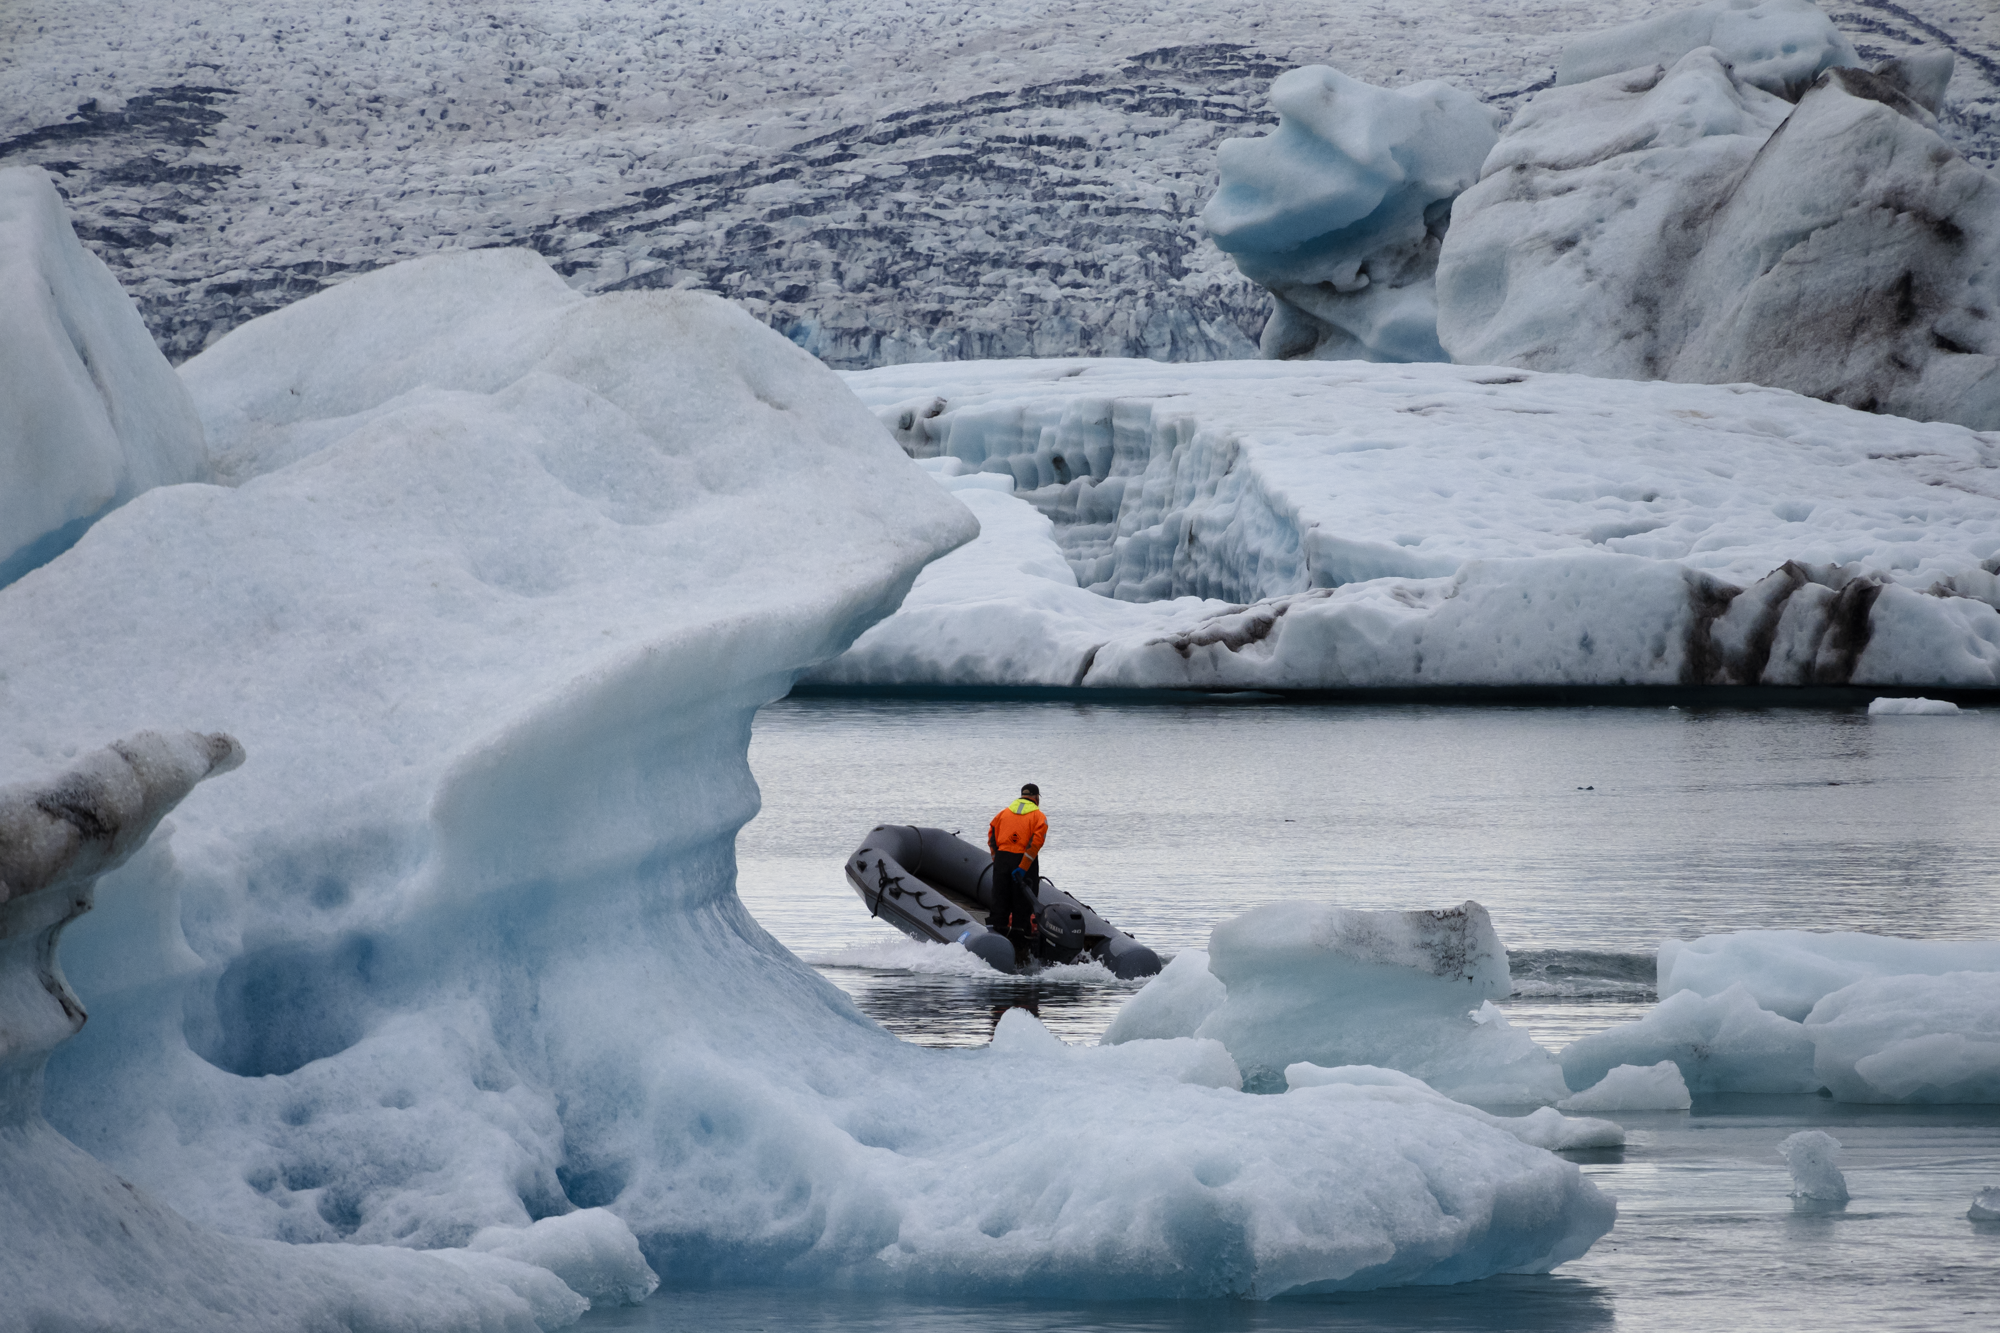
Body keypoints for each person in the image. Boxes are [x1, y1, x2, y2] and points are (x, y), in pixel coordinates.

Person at [987, 782, 1047, 945]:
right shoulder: (1039, 817)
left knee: (1000, 901)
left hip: (1002, 860)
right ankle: (1020, 945)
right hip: (1024, 864)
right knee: (1023, 905)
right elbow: (1035, 844)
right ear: (1036, 798)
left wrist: (997, 861)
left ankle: (994, 940)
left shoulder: (1002, 814)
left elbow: (991, 837)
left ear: (1022, 795)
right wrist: (1022, 867)